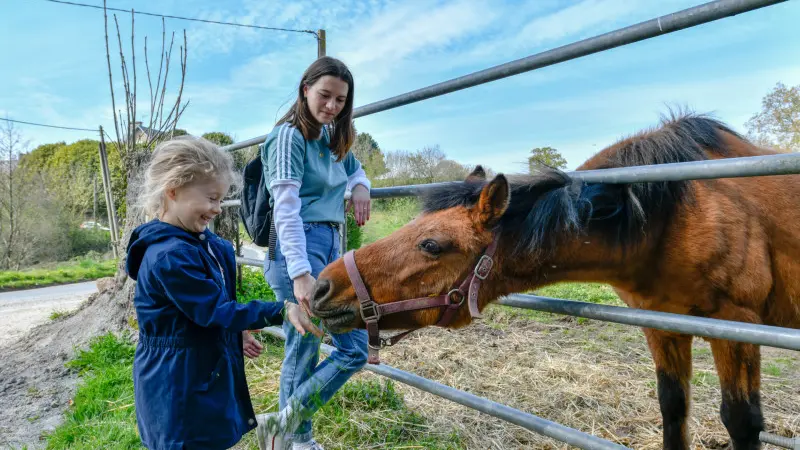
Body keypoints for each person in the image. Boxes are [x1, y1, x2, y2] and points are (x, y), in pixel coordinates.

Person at [126, 136, 310, 449]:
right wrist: (280, 309)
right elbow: (213, 310)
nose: (218, 209)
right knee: (187, 441)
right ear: (173, 191)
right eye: (211, 198)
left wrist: (237, 331)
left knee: (209, 437)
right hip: (176, 381)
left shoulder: (208, 245)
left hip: (200, 368)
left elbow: (218, 304)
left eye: (221, 199)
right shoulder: (170, 256)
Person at [257, 56, 373, 450]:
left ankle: (284, 431)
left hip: (329, 246)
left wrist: (361, 188)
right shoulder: (288, 137)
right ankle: (295, 438)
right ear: (305, 89)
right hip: (298, 248)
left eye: (341, 100)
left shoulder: (329, 137)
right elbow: (286, 209)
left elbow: (356, 170)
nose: (332, 106)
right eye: (325, 95)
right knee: (307, 347)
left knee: (345, 349)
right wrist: (300, 272)